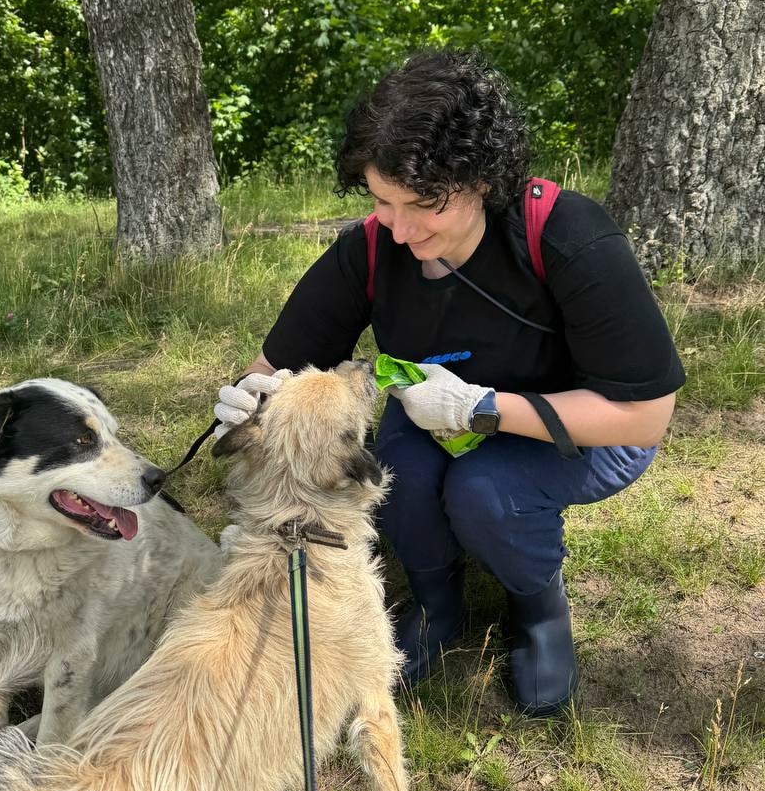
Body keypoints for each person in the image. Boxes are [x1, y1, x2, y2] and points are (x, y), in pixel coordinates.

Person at [213, 50, 685, 716]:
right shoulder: (373, 250)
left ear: (481, 180)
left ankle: (537, 605)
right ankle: (438, 602)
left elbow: (643, 417)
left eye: (424, 205)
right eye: (382, 201)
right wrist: (245, 400)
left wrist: (481, 408)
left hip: (578, 422)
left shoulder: (566, 236)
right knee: (392, 476)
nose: (401, 230)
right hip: (434, 416)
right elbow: (275, 369)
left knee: (485, 492)